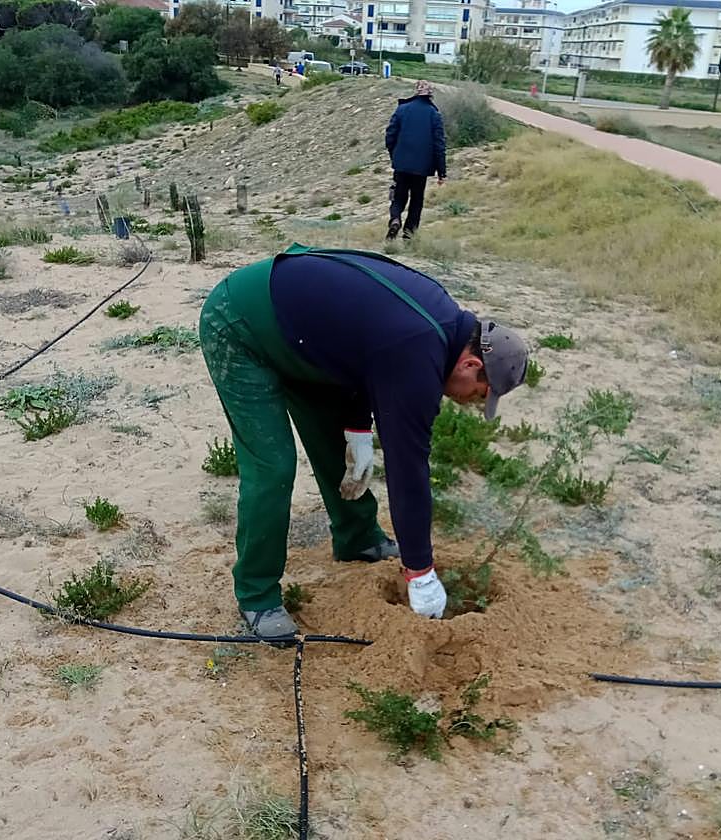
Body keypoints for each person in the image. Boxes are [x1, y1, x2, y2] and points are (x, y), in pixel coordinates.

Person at [198, 244, 530, 639]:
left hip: (304, 340)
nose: (473, 403)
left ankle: (357, 538)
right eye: (479, 394)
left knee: (331, 438)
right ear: (471, 364)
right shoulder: (419, 353)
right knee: (272, 466)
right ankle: (256, 595)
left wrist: (356, 429)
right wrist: (420, 572)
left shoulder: (440, 327)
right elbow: (409, 471)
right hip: (241, 323)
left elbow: (364, 353)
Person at [385, 79, 447, 241]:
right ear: (430, 94)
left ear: (415, 91)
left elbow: (390, 135)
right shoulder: (434, 115)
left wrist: (395, 155)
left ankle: (395, 219)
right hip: (422, 167)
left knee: (398, 196)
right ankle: (408, 235)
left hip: (402, 164)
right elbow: (439, 145)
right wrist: (442, 171)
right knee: (417, 200)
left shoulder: (402, 109)